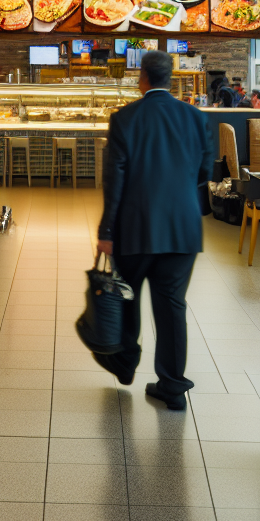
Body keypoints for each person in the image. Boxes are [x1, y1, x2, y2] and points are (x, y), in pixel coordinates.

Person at [95, 50, 213, 411]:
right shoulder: (195, 117)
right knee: (172, 307)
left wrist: (106, 230)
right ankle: (173, 386)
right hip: (182, 229)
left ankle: (124, 364)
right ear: (171, 78)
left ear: (142, 78)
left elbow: (114, 179)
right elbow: (205, 172)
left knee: (127, 298)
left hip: (135, 228)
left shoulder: (125, 118)